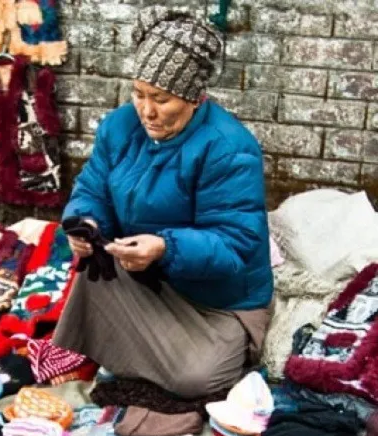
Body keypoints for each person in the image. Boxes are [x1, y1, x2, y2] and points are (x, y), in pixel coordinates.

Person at [53, 8, 273, 399]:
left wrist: (165, 248)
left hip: (216, 301)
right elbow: (92, 188)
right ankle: (141, 352)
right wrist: (84, 222)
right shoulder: (120, 127)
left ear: (194, 97)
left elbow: (234, 245)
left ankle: (130, 355)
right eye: (138, 94)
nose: (147, 110)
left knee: (199, 379)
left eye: (161, 98)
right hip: (148, 278)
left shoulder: (228, 148)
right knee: (95, 268)